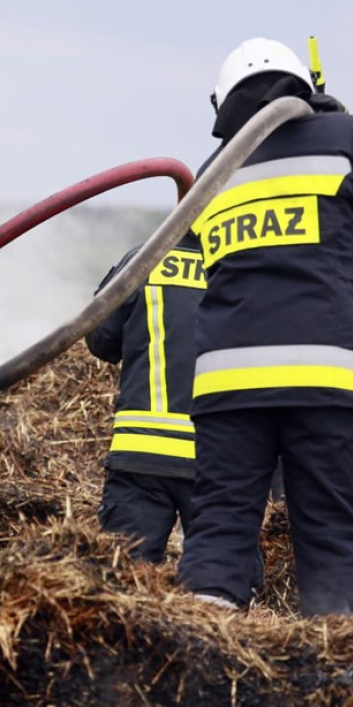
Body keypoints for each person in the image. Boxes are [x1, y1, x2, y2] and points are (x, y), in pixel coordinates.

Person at [177, 38, 353, 617]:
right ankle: (347, 673)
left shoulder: (210, 174)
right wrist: (344, 127)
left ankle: (197, 663)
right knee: (333, 536)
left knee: (218, 533)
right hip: (322, 379)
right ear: (302, 86)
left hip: (227, 388)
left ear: (222, 103)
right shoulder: (342, 139)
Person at [85, 233, 206, 563]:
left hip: (141, 454)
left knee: (126, 579)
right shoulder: (246, 266)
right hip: (219, 456)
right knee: (222, 584)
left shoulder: (143, 259)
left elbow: (100, 338)